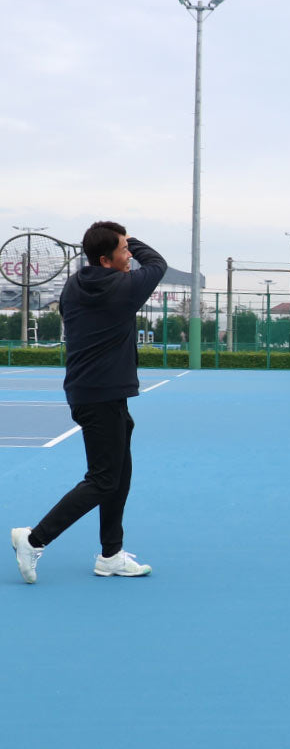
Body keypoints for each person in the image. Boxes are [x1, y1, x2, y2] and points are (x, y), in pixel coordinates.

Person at [12, 222, 167, 583]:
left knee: (118, 473)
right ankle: (33, 540)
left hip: (92, 394)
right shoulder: (124, 288)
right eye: (124, 249)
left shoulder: (73, 285)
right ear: (105, 260)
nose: (129, 255)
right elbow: (157, 264)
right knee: (103, 479)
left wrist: (117, 240)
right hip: (102, 397)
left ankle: (111, 554)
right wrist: (133, 238)